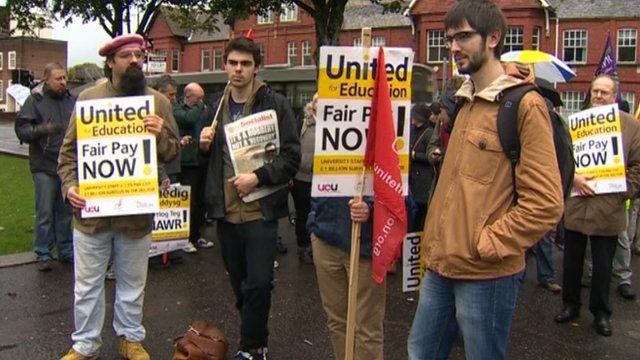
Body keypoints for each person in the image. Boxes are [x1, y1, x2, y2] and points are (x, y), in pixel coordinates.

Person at [407, 1, 563, 359]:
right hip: (441, 264)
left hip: (486, 273)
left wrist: (489, 244)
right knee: (420, 353)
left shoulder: (525, 106)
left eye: (463, 37)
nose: (453, 48)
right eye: (449, 39)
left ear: (493, 37)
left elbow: (546, 204)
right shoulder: (464, 101)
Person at [57, 33, 180, 360]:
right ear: (111, 62)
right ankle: (85, 344)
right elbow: (67, 155)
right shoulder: (88, 100)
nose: (135, 61)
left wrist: (160, 135)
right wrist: (70, 186)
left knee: (132, 284)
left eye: (138, 54)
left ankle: (130, 338)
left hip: (136, 217)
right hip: (92, 217)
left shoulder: (159, 103)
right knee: (86, 288)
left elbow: (171, 153)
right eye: (126, 56)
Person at [198, 36, 300, 360]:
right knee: (241, 286)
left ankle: (251, 346)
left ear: (257, 67)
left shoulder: (276, 104)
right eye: (233, 63)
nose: (238, 70)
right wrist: (202, 146)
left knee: (259, 283)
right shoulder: (215, 107)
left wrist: (258, 177)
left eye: (245, 64)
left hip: (260, 211)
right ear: (225, 65)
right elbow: (207, 166)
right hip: (226, 213)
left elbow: (291, 157)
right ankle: (254, 334)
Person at [555, 74, 640, 336]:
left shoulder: (629, 126)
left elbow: (637, 169)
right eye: (595, 91)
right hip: (577, 207)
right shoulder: (576, 124)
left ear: (615, 96)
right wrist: (574, 179)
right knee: (572, 263)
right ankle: (570, 306)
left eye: (605, 92)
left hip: (609, 208)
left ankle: (601, 313)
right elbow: (563, 162)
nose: (599, 96)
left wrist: (619, 190)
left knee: (604, 268)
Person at [15, 62, 76, 271]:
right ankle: (43, 252)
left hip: (66, 166)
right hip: (44, 165)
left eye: (65, 78)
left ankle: (66, 249)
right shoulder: (35, 101)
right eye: (59, 79)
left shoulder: (71, 101)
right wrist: (43, 129)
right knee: (45, 212)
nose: (63, 83)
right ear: (46, 80)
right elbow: (22, 130)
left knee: (66, 211)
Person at [307, 197, 383, 359]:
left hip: (365, 244)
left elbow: (400, 193)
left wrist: (371, 209)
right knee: (337, 322)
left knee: (367, 327)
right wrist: (314, 219)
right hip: (324, 238)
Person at [174, 82, 214, 253]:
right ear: (188, 97)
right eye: (198, 98)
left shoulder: (203, 110)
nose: (202, 102)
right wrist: (199, 105)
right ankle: (185, 238)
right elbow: (188, 118)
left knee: (199, 202)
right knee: (188, 203)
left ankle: (196, 236)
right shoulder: (176, 109)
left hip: (202, 160)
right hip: (187, 163)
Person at [290, 94, 317, 264]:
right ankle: (303, 247)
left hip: (321, 178)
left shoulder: (331, 123)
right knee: (303, 213)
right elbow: (292, 148)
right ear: (313, 105)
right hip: (301, 177)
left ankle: (315, 247)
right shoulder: (303, 122)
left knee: (318, 213)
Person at [408, 102, 436, 232]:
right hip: (412, 178)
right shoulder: (411, 130)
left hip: (423, 181)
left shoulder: (429, 133)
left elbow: (431, 157)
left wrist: (415, 155)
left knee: (421, 214)